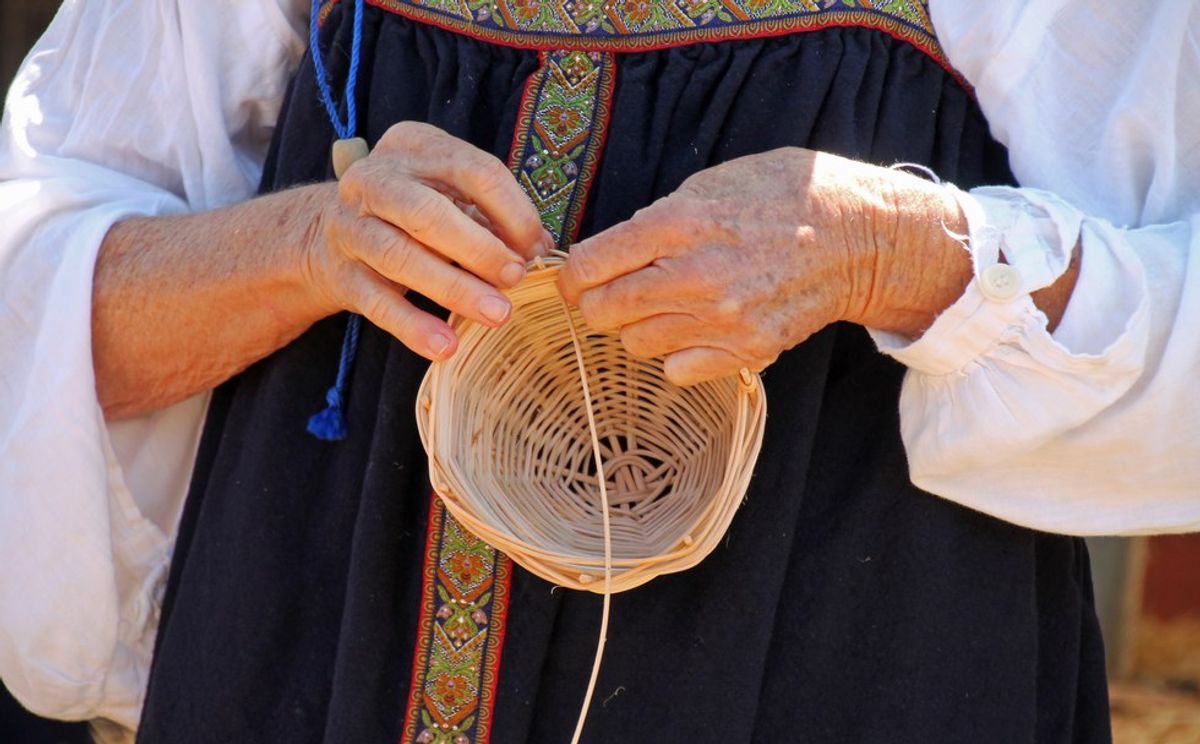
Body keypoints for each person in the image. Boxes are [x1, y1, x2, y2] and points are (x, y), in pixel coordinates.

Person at [0, 0, 1196, 741]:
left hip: (833, 660)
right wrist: (307, 242)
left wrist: (898, 249)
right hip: (309, 663)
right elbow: (42, 300)